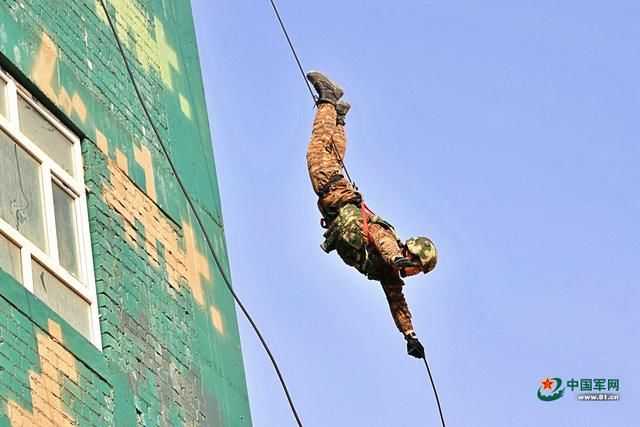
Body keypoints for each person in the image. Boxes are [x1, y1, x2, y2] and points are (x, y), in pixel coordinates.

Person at [306, 70, 438, 359]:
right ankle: (328, 99)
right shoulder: (389, 242)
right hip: (335, 195)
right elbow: (383, 243)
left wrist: (410, 336)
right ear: (411, 255)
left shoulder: (389, 276)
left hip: (335, 199)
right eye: (417, 267)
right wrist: (395, 258)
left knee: (330, 155)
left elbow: (398, 304)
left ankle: (338, 117)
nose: (414, 274)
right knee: (317, 152)